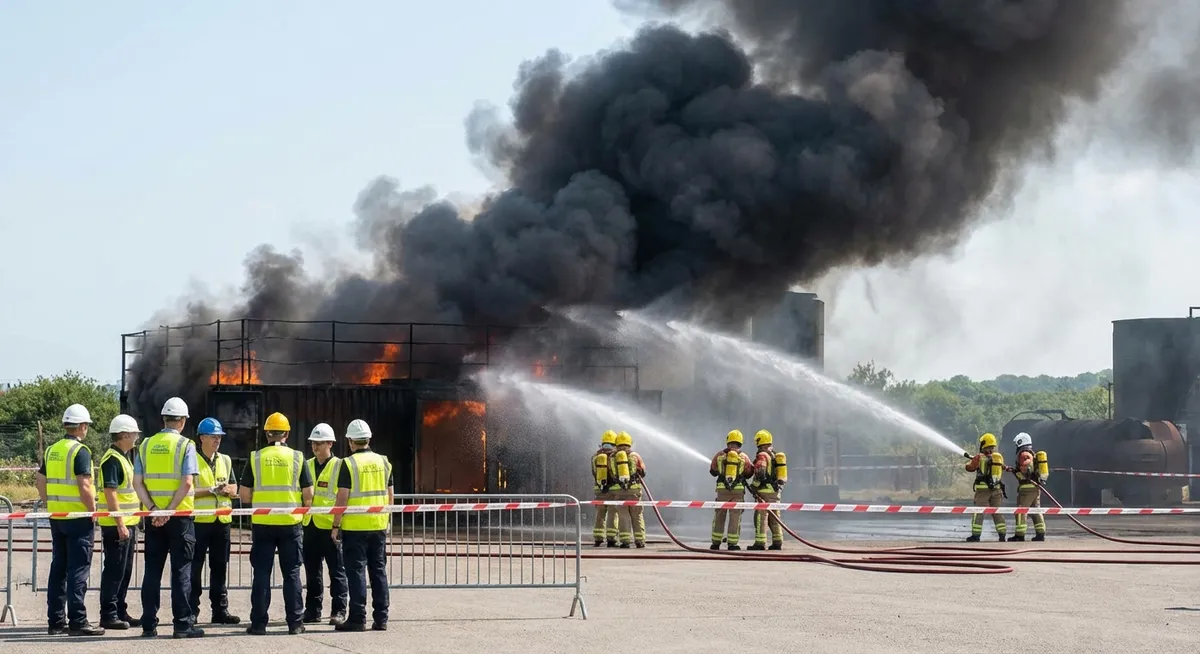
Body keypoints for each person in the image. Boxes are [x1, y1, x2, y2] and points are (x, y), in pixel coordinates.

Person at [134, 396, 205, 638]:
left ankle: (148, 624)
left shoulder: (145, 445)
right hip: (180, 518)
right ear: (183, 421)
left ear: (163, 419)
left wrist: (154, 508)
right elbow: (187, 482)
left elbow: (137, 483)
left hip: (153, 518)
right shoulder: (186, 446)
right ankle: (182, 625)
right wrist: (170, 510)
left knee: (152, 571)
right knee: (181, 571)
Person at [238, 412, 313, 636]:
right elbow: (308, 494)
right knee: (292, 573)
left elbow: (244, 496)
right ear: (287, 433)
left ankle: (259, 624)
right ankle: (295, 623)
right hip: (291, 523)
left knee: (261, 573)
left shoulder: (256, 458)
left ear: (267, 434)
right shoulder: (298, 457)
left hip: (263, 523)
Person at [36, 403, 104, 636]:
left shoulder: (52, 449)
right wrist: (93, 510)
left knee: (59, 569)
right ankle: (78, 620)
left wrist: (50, 503)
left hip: (57, 517)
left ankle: (55, 622)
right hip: (78, 517)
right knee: (78, 570)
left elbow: (40, 481)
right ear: (83, 426)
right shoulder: (80, 451)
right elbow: (85, 485)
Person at [332, 419, 393, 632]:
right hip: (378, 526)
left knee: (356, 572)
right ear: (369, 439)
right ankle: (382, 618)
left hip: (355, 527)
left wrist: (335, 525)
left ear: (350, 441)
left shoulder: (348, 464)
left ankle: (357, 618)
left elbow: (342, 498)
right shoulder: (384, 462)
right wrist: (386, 520)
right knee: (378, 571)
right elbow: (390, 496)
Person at [189, 417, 241, 625]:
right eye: (213, 436)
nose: (217, 440)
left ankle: (220, 610)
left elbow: (235, 487)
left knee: (219, 567)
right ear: (202, 437)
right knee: (195, 568)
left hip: (222, 522)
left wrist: (229, 490)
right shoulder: (191, 459)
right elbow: (187, 490)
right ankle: (192, 610)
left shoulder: (225, 460)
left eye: (219, 437)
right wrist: (211, 490)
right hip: (199, 522)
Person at [96, 414, 143, 630]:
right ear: (123, 434)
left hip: (126, 523)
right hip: (117, 525)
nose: (136, 437)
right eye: (133, 434)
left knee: (124, 571)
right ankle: (109, 614)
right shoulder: (113, 460)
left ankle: (120, 611)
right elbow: (111, 494)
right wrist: (120, 524)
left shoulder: (122, 457)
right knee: (115, 570)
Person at [302, 423, 349, 626]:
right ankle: (312, 610)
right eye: (313, 443)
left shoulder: (339, 465)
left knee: (337, 572)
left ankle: (339, 611)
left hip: (331, 528)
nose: (315, 447)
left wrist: (337, 527)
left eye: (319, 443)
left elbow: (342, 497)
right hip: (310, 525)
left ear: (330, 443)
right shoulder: (307, 464)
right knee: (312, 572)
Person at [708, 430, 754, 551]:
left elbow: (712, 471)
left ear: (728, 441)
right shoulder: (743, 457)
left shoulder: (720, 455)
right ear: (740, 443)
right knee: (735, 517)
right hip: (737, 491)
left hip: (722, 490)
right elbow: (749, 473)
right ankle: (732, 544)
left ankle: (715, 543)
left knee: (719, 515)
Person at [747, 429, 787, 551]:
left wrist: (754, 486)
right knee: (775, 517)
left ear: (759, 441)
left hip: (764, 491)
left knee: (761, 517)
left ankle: (760, 543)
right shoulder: (774, 455)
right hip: (775, 491)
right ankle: (777, 541)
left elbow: (760, 472)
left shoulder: (762, 455)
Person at [965, 432, 1007, 542]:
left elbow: (970, 468)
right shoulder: (998, 457)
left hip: (983, 491)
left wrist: (970, 463)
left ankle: (976, 535)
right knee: (996, 512)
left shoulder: (979, 457)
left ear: (983, 444)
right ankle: (1002, 535)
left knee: (979, 512)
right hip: (997, 490)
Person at [609, 431, 646, 548]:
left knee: (623, 515)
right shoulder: (635, 455)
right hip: (634, 490)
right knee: (637, 514)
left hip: (619, 491)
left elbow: (611, 474)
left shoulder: (612, 457)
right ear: (629, 442)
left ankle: (625, 541)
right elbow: (643, 471)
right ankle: (640, 541)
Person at [1010, 432, 1047, 542]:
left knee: (1021, 510)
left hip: (1027, 488)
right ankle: (1041, 534)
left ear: (1021, 442)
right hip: (1034, 487)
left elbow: (1026, 468)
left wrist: (1017, 470)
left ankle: (1019, 535)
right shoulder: (1032, 453)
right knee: (1035, 511)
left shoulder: (1024, 454)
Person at [590, 430, 620, 547]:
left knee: (600, 513)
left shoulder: (595, 456)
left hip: (599, 489)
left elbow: (594, 472)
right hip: (614, 489)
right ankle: (611, 538)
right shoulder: (616, 456)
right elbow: (617, 473)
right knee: (613, 513)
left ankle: (598, 538)